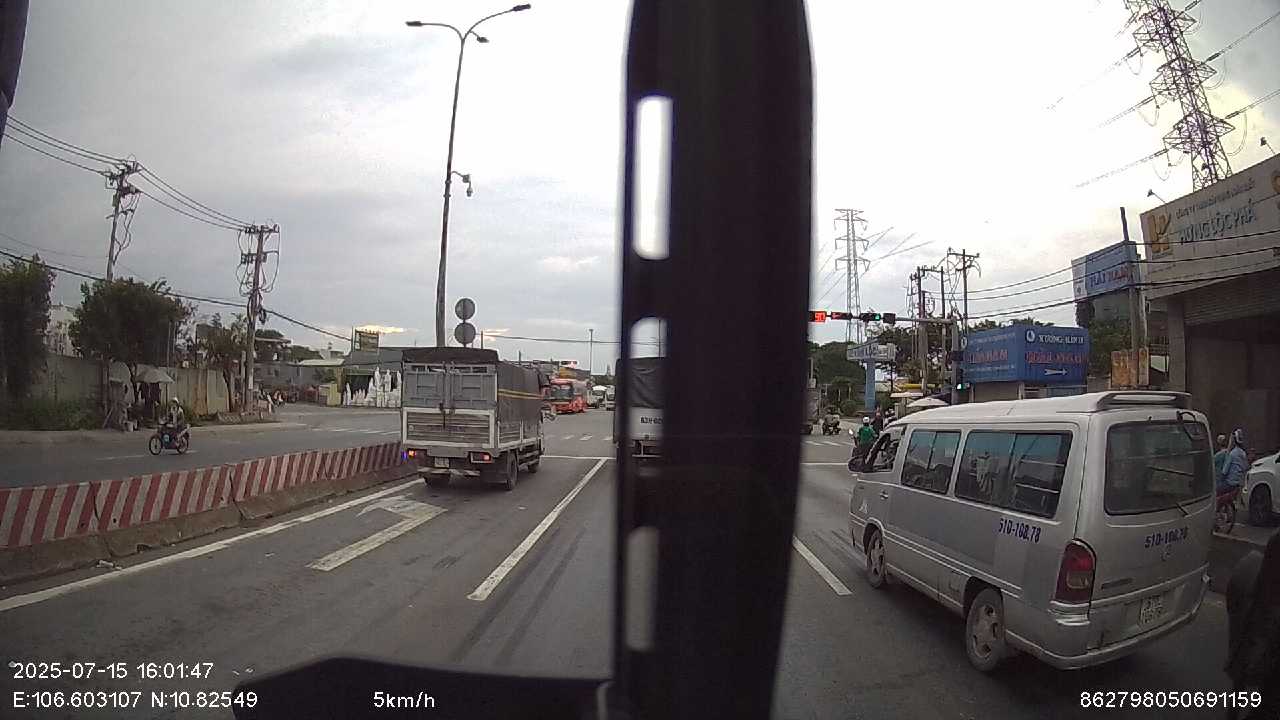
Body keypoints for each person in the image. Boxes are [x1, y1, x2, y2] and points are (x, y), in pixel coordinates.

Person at [1220, 429, 1249, 494]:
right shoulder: (1243, 453)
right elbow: (1246, 467)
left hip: (1230, 483)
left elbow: (1224, 471)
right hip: (1240, 483)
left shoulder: (1232, 454)